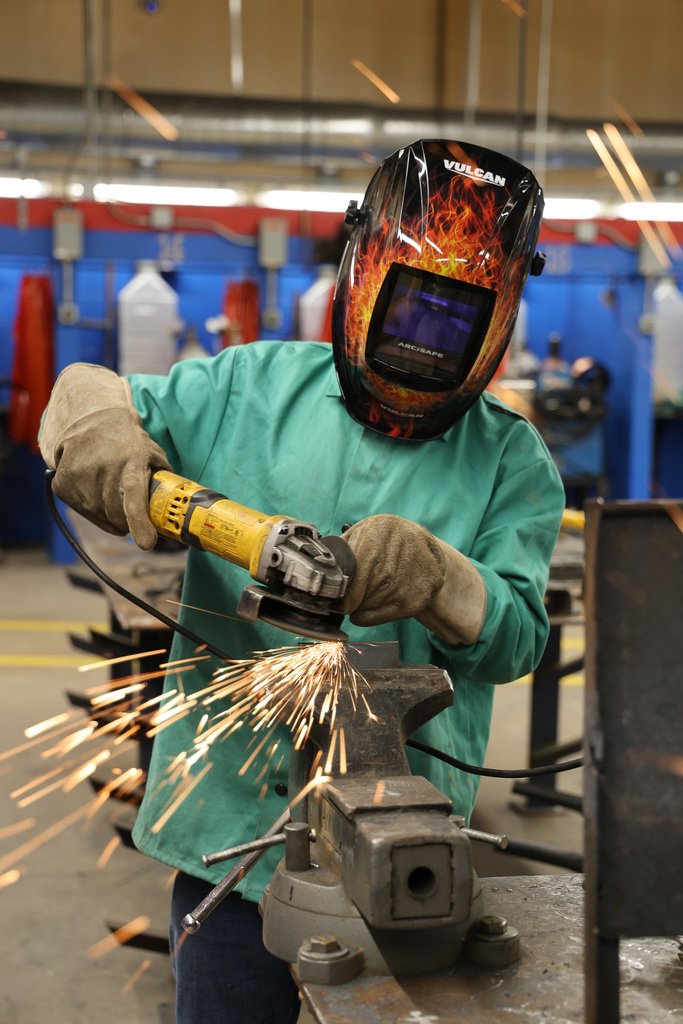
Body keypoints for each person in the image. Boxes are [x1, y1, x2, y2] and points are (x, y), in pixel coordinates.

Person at [40, 139, 565, 1024]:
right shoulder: (250, 384)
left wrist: (440, 577)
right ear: (362, 270)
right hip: (230, 852)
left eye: (454, 319)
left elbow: (517, 637)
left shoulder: (513, 462)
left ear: (499, 315)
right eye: (410, 308)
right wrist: (94, 422)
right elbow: (92, 393)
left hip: (405, 858)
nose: (420, 342)